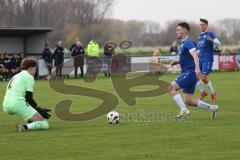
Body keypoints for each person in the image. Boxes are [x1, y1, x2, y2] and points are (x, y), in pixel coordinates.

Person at [169, 22, 218, 119]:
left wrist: (197, 68)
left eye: (178, 30)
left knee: (171, 87)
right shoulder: (184, 44)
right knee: (188, 100)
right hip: (191, 74)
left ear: (184, 31)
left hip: (191, 73)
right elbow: (189, 58)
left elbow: (195, 55)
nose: (176, 32)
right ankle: (212, 108)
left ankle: (184, 110)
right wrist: (178, 62)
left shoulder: (187, 43)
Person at [3, 57, 51, 132]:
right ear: (31, 68)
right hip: (17, 104)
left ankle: (31, 120)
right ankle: (24, 127)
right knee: (44, 124)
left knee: (33, 117)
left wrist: (36, 110)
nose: (35, 71)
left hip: (6, 105)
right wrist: (39, 109)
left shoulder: (16, 76)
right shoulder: (29, 76)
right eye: (35, 69)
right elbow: (28, 98)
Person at [196, 19, 221, 102]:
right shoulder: (199, 36)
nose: (201, 26)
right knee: (194, 75)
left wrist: (212, 40)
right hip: (200, 59)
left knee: (203, 77)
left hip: (207, 59)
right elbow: (199, 49)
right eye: (200, 25)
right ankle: (203, 92)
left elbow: (219, 43)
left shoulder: (210, 34)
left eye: (202, 24)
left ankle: (212, 92)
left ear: (206, 25)